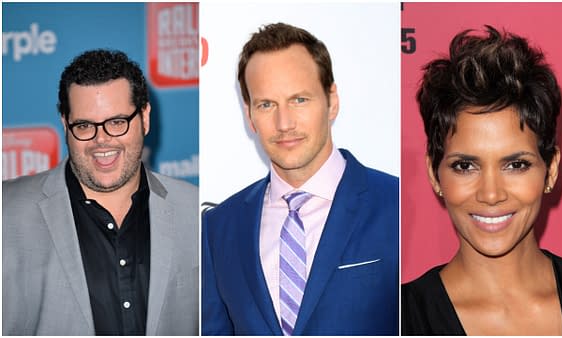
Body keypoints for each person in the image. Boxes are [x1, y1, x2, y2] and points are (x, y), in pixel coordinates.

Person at [202, 22, 399, 335]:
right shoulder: (218, 227)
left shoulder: (394, 204)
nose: (284, 123)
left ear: (331, 101)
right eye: (267, 104)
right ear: (249, 114)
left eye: (299, 100)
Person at [401, 26, 562, 335]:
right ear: (434, 174)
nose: (491, 194)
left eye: (516, 164)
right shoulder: (398, 319)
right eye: (465, 166)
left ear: (551, 169)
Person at [2, 49, 199, 335]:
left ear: (144, 117)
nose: (101, 139)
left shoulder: (194, 212)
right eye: (84, 126)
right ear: (65, 125)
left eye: (117, 122)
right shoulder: (7, 214)